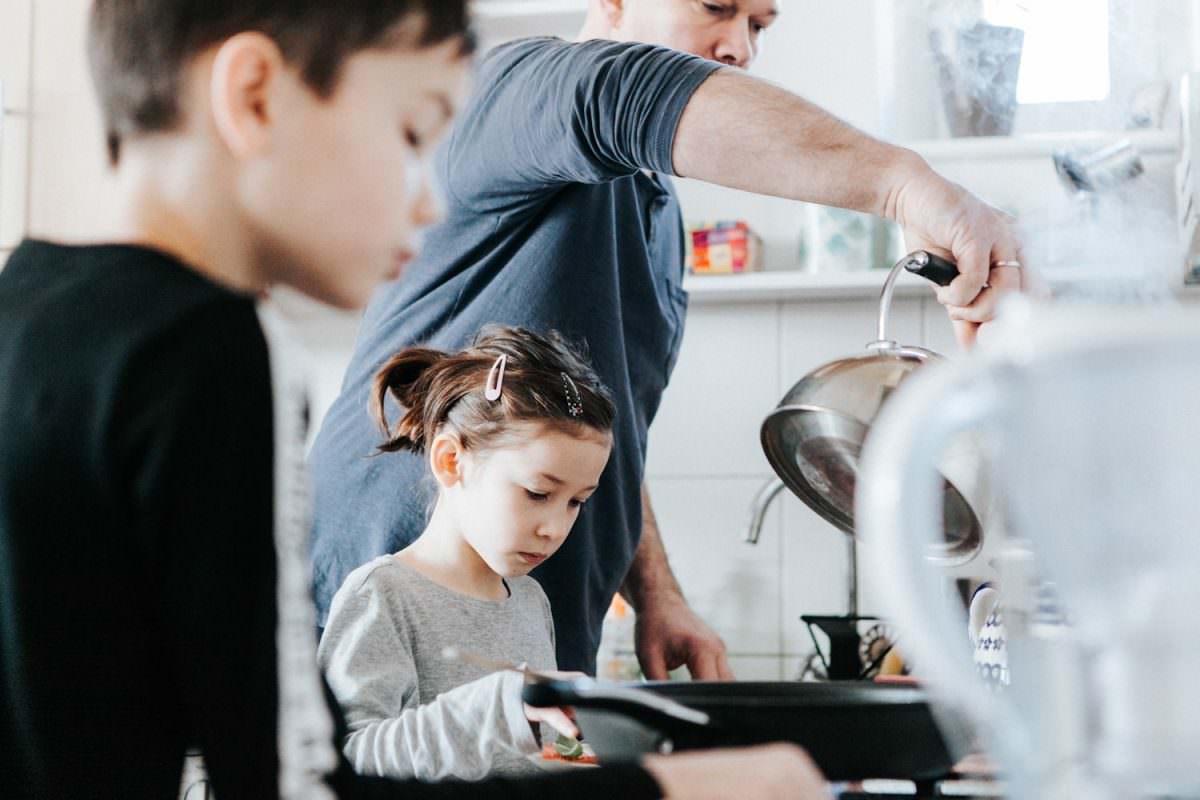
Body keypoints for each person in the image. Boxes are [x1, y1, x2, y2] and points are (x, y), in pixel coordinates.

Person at [0, 1, 832, 799]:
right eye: (410, 134)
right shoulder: (205, 350)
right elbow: (300, 784)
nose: (431, 200)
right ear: (255, 95)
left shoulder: (30, 311)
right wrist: (663, 788)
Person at [308, 0, 1025, 678]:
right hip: (400, 586)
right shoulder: (513, 90)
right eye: (715, 6)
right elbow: (623, 89)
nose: (739, 46)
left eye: (759, 25)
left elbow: (594, 424)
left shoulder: (655, 217)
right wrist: (905, 186)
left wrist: (657, 593)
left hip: (538, 613)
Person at [319, 326, 614, 780]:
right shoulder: (382, 597)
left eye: (577, 502)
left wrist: (595, 753)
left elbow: (542, 750)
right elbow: (339, 766)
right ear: (451, 461)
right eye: (537, 493)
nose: (555, 528)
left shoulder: (531, 602)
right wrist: (495, 709)